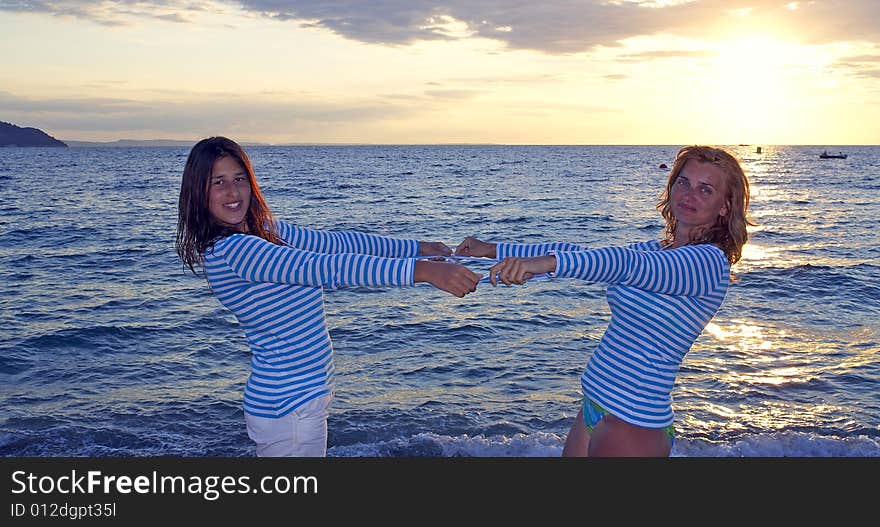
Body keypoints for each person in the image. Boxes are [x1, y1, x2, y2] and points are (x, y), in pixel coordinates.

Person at [176, 136, 482, 457]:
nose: (233, 192)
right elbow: (324, 266)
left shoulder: (263, 231)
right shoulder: (234, 250)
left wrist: (417, 248)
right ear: (199, 192)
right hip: (288, 407)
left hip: (297, 398)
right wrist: (422, 271)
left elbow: (336, 244)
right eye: (218, 183)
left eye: (239, 179)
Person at [455, 145, 753, 457]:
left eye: (705, 189)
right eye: (684, 182)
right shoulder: (658, 250)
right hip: (596, 404)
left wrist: (542, 264)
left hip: (633, 421)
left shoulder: (707, 262)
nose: (690, 194)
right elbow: (582, 254)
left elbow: (622, 264)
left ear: (724, 205)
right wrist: (493, 250)